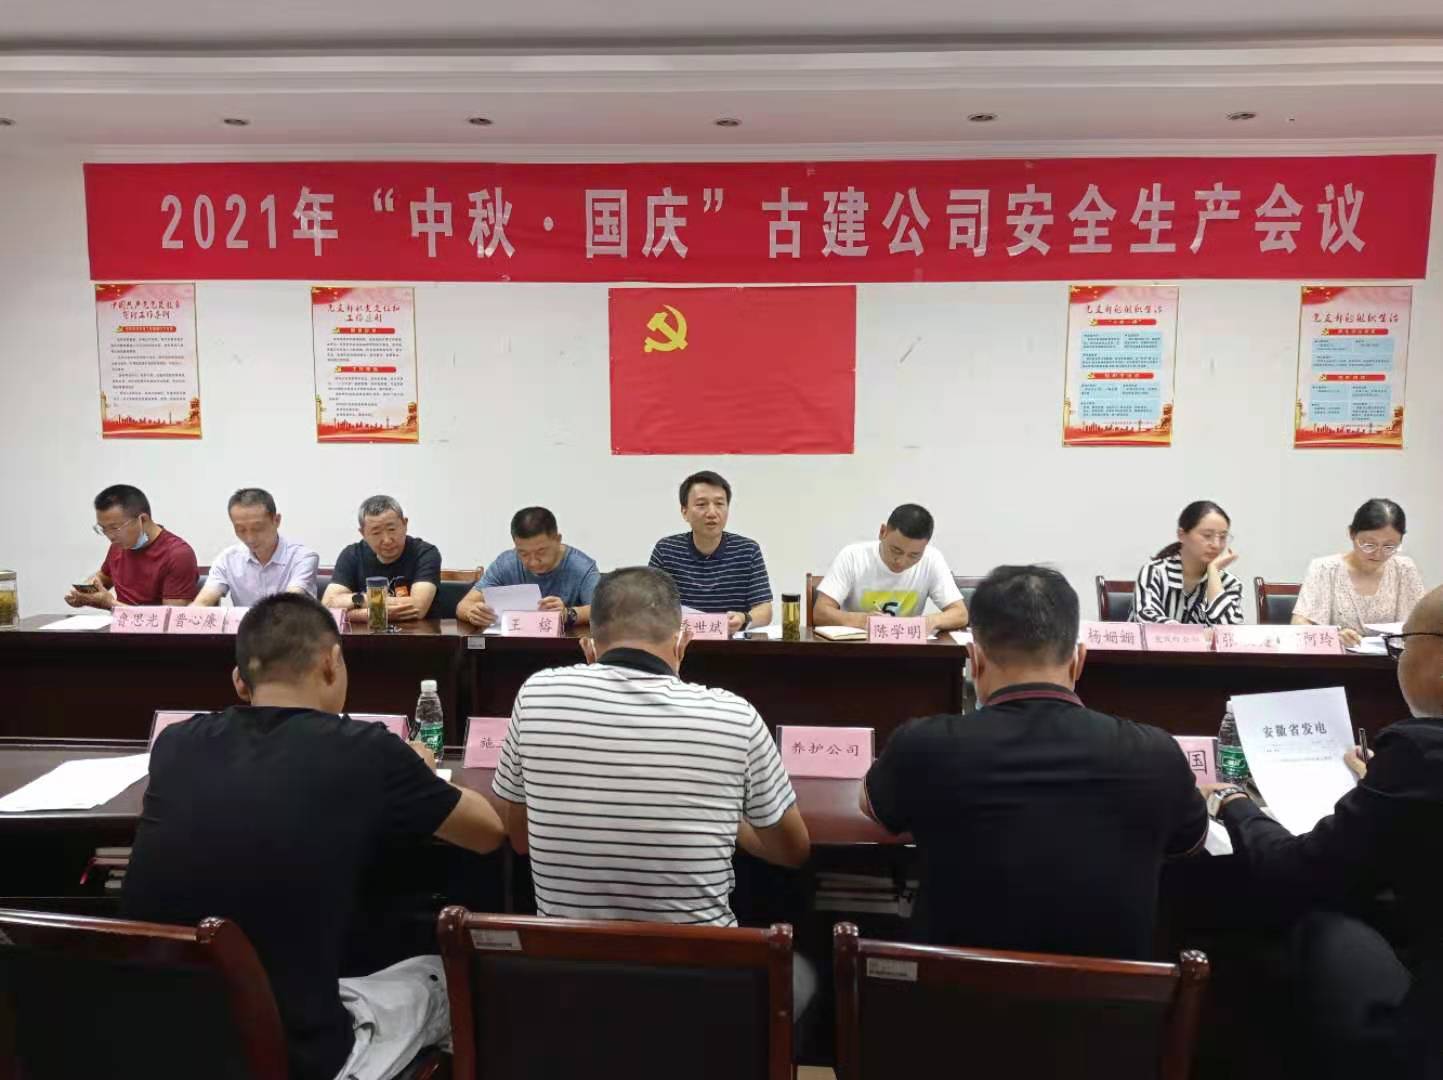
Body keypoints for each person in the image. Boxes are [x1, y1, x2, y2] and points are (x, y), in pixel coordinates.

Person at [121, 593, 506, 1080]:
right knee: (449, 979)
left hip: (159, 1042)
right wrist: (418, 771)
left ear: (240, 681)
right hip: (296, 1056)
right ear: (331, 662)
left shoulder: (175, 743)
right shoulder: (369, 751)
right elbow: (488, 833)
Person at [862, 565, 1207, 959]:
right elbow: (1190, 840)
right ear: (1078, 660)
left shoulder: (923, 745)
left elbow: (871, 805)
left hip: (954, 992)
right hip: (1112, 998)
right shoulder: (1157, 755)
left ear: (974, 660)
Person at [1208, 584, 1443, 1078]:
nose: (1398, 659)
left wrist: (1234, 803)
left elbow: (1297, 872)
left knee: (1320, 924)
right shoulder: (1418, 766)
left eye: (1402, 645)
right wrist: (1384, 784)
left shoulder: (1423, 754)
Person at [492, 565, 809, 923]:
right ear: (682, 642)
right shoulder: (735, 715)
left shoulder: (536, 694)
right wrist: (728, 820)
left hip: (566, 958)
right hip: (701, 959)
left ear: (588, 647)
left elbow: (520, 839)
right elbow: (793, 851)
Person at [647, 471, 772, 634]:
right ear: (684, 512)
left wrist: (743, 618)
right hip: (680, 643)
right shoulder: (666, 550)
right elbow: (648, 605)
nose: (712, 513)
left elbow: (764, 610)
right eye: (701, 504)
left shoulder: (748, 551)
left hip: (731, 644)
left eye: (719, 504)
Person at [813, 504, 969, 633]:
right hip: (857, 649)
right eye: (896, 550)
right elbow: (820, 612)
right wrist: (861, 620)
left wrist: (930, 621)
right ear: (883, 532)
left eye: (914, 555)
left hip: (908, 653)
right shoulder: (853, 556)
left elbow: (960, 614)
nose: (901, 562)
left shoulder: (932, 559)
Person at [1292, 498, 1425, 647]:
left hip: (1392, 659)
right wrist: (1333, 637)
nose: (1378, 554)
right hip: (1339, 658)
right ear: (1352, 534)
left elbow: (1424, 625)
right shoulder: (1325, 569)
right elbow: (1299, 625)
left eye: (1389, 546)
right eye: (1369, 545)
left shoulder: (1404, 569)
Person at [455, 506, 599, 631]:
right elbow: (463, 605)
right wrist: (472, 612)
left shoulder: (582, 566)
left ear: (557, 539)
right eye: (523, 553)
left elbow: (603, 610)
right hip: (513, 645)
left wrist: (568, 614)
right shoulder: (506, 563)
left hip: (565, 647)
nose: (533, 562)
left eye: (541, 552)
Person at [65, 484, 199, 609]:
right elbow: (103, 578)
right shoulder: (119, 546)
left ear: (143, 520)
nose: (110, 536)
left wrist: (111, 604)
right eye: (103, 529)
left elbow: (172, 620)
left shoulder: (178, 555)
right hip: (119, 624)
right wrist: (83, 593)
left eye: (115, 528)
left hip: (152, 628)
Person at [192, 487, 320, 607]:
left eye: (258, 528)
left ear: (276, 521)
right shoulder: (227, 559)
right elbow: (202, 602)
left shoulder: (302, 558)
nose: (250, 538)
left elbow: (288, 605)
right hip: (246, 624)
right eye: (241, 530)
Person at [322, 496, 441, 622]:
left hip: (417, 632)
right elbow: (328, 605)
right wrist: (371, 612)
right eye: (376, 533)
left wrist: (354, 604)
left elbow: (418, 607)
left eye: (392, 529)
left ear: (405, 524)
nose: (387, 540)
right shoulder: (352, 554)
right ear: (363, 533)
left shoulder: (425, 553)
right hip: (365, 632)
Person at [1130, 500, 1244, 625]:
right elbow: (1146, 620)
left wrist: (1213, 571)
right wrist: (1194, 633)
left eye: (1222, 537)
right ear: (1182, 535)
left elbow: (1228, 631)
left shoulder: (1229, 583)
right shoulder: (1155, 572)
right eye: (1207, 535)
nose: (1216, 545)